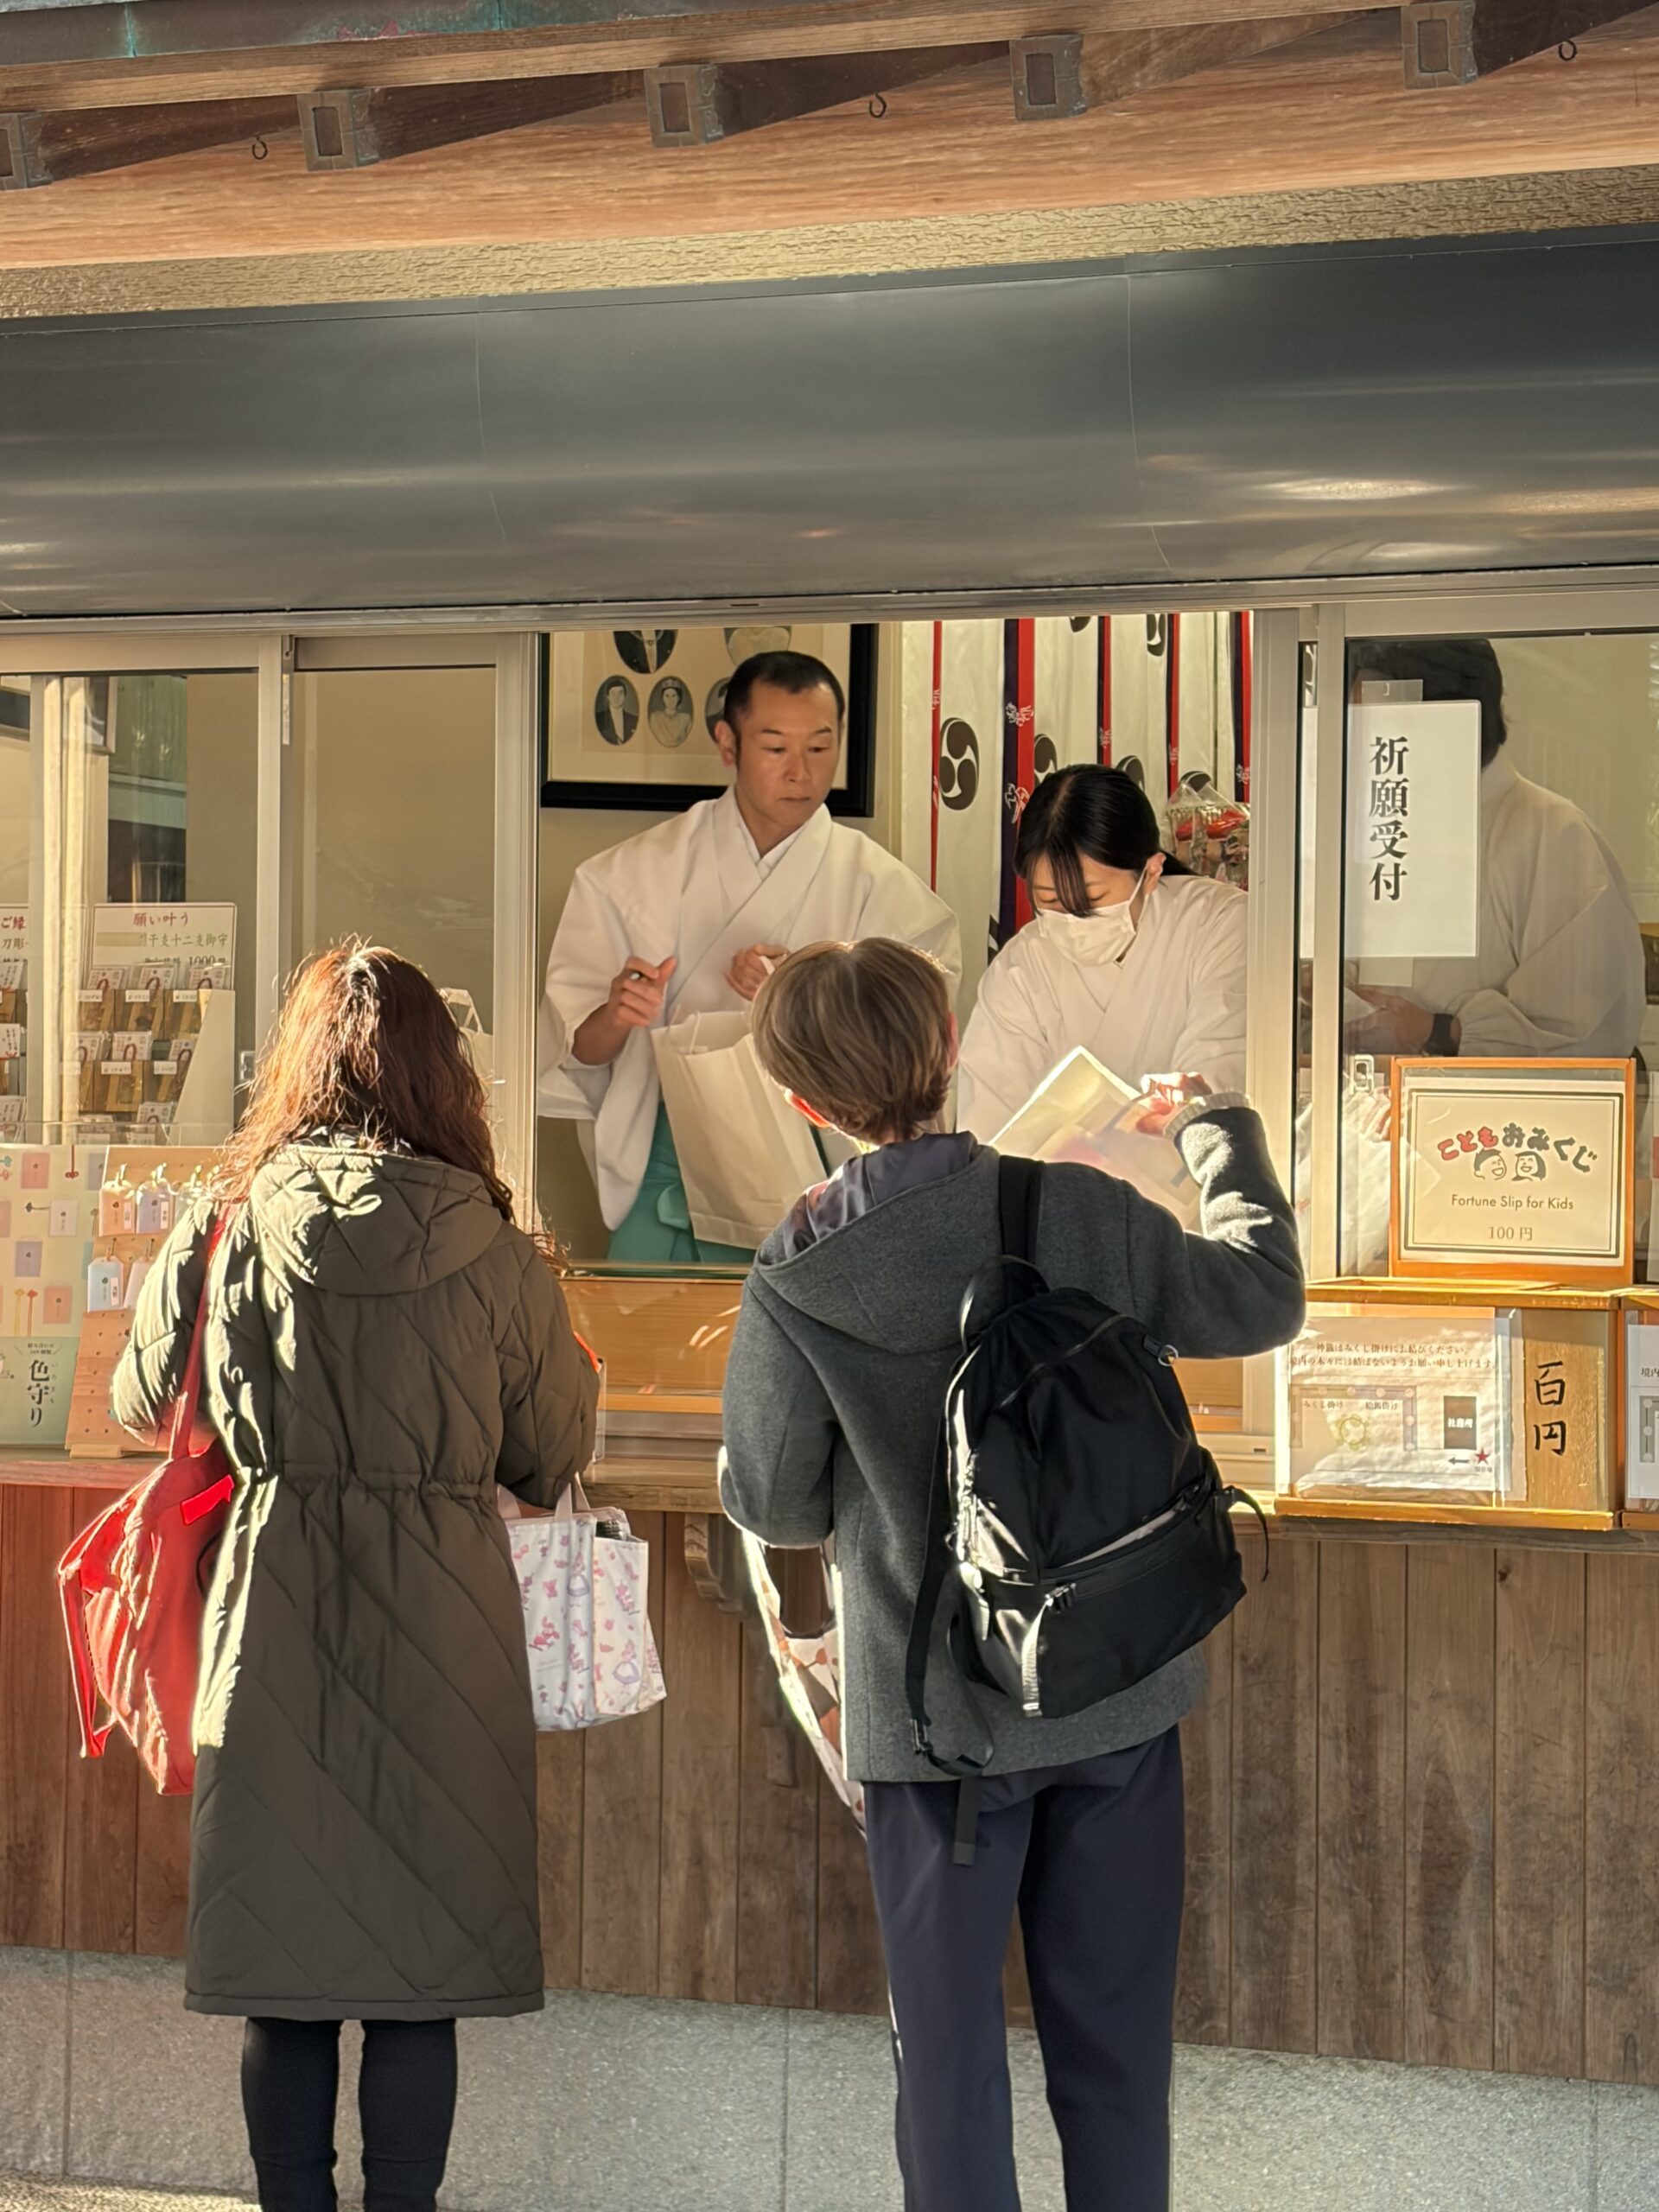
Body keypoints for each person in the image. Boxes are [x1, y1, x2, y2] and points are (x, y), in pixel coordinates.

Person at [719, 938, 1304, 2212]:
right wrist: (1215, 1128)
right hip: (1113, 1692)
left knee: (946, 2074)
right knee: (1116, 2064)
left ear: (804, 1099)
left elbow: (772, 1499)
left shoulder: (798, 1270)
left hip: (935, 1730)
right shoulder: (1078, 1208)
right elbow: (1262, 1299)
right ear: (949, 1045)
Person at [113, 944, 598, 2212]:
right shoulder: (495, 1249)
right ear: (447, 1077)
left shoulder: (227, 1223)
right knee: (415, 1982)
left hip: (268, 1629)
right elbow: (551, 1450)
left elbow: (139, 1399)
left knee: (286, 1975)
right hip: (448, 1639)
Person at [540, 648, 962, 1262]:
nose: (800, 772)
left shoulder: (886, 893)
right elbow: (574, 1053)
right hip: (669, 1165)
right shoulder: (629, 876)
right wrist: (616, 1015)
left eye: (819, 748)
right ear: (728, 743)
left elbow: (914, 1060)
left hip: (823, 1169)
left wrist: (804, 997)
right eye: (776, 748)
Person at [1344, 637, 1644, 1059]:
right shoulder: (1387, 828)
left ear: (1447, 721)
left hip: (1490, 1098)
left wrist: (1435, 1031)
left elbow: (1587, 1034)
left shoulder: (1554, 836)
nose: (1364, 746)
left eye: (1378, 725)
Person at [957, 765, 1247, 1140]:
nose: (1072, 919)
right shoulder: (1021, 969)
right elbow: (990, 1123)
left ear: (1151, 872)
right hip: (1052, 1176)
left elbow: (1219, 1072)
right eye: (1050, 901)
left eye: (1092, 899)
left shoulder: (1217, 924)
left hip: (1196, 1162)